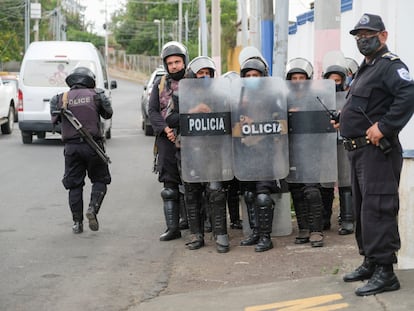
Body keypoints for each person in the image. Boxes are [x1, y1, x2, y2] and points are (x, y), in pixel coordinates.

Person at [339, 13, 414, 296]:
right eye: (358, 35)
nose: (362, 39)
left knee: (378, 209)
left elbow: (408, 94)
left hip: (377, 154)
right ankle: (370, 261)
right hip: (359, 153)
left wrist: (384, 126)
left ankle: (386, 271)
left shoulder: (390, 66)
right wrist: (342, 118)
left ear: (383, 36)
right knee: (363, 209)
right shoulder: (365, 67)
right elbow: (362, 104)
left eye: (368, 34)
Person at [177, 55, 231, 253]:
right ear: (193, 75)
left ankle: (221, 234)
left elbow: (229, 117)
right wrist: (191, 111)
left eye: (208, 73)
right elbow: (171, 118)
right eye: (201, 73)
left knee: (216, 192)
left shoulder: (219, 95)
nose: (204, 76)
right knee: (191, 194)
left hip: (213, 150)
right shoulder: (182, 94)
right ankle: (196, 234)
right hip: (190, 150)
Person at [50, 67, 113, 234]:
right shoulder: (97, 95)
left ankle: (77, 223)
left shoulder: (59, 98)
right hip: (94, 147)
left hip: (71, 148)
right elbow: (108, 114)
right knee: (100, 180)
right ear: (90, 80)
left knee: (74, 185)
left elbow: (54, 123)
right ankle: (93, 208)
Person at [236, 55, 282, 252]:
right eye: (248, 75)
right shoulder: (239, 98)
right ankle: (255, 232)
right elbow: (233, 125)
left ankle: (266, 236)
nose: (252, 78)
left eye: (256, 75)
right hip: (246, 152)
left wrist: (257, 125)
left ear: (263, 76)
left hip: (265, 152)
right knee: (249, 194)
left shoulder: (272, 98)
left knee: (263, 196)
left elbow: (281, 125)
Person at [148, 41, 188, 241]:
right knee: (169, 186)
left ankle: (197, 223)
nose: (174, 66)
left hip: (191, 139)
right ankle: (173, 228)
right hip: (166, 139)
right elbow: (153, 111)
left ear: (184, 62)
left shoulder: (194, 80)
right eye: (170, 63)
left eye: (177, 62)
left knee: (194, 183)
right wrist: (165, 129)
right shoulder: (160, 84)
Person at [285, 58, 326, 247]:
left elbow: (324, 121)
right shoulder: (282, 99)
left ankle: (316, 230)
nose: (298, 81)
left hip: (311, 150)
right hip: (291, 150)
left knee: (311, 190)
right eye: (294, 78)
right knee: (296, 190)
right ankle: (303, 228)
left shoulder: (316, 98)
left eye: (302, 77)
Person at [321, 63, 354, 235]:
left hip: (343, 142)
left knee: (345, 181)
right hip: (325, 144)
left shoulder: (349, 97)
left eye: (338, 80)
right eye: (331, 80)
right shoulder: (318, 97)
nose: (334, 83)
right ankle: (324, 219)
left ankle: (348, 219)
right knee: (325, 183)